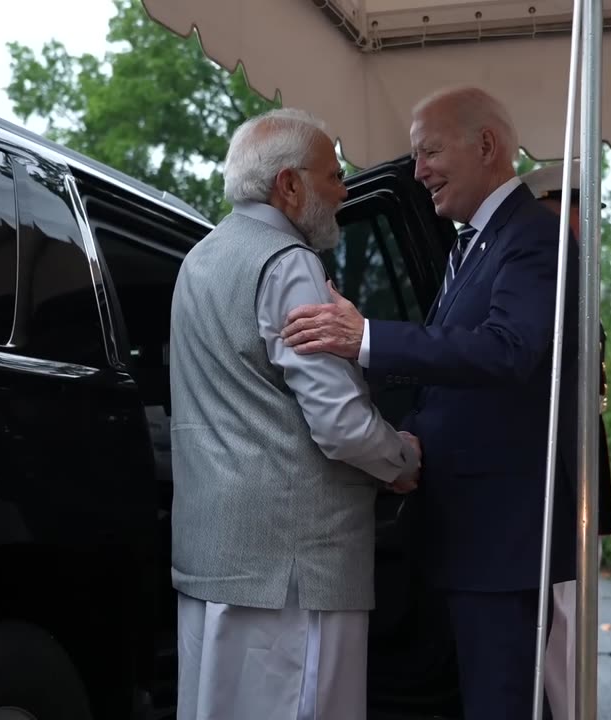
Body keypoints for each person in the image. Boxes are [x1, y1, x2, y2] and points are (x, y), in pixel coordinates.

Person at [281, 86, 581, 719]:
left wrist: (369, 338)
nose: (418, 173)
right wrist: (402, 446)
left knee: (500, 702)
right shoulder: (472, 243)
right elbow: (448, 383)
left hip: (500, 537)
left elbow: (507, 352)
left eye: (430, 153)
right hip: (466, 530)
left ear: (488, 146)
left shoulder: (534, 238)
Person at [168, 107, 422, 720]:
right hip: (295, 571)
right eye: (332, 175)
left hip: (214, 557)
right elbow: (338, 423)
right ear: (289, 185)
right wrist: (401, 458)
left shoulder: (198, 259)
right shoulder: (289, 265)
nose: (341, 190)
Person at [520, 161, 611, 720]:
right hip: (552, 481)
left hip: (572, 476)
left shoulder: (574, 276)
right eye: (585, 209)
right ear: (551, 208)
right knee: (562, 637)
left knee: (572, 632)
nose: (592, 222)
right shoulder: (547, 277)